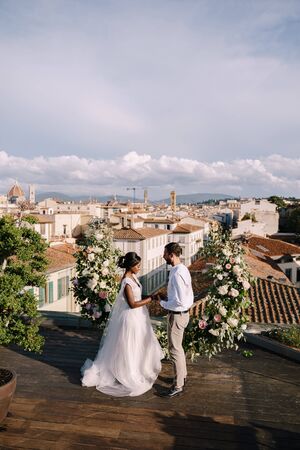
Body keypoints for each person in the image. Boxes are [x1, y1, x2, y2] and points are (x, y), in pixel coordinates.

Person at [81, 252, 164, 397]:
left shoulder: (133, 277)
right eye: (137, 266)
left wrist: (152, 296)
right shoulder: (126, 282)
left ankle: (138, 368)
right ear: (130, 266)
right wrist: (152, 298)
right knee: (130, 345)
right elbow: (132, 304)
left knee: (139, 344)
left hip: (139, 315)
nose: (139, 268)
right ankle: (127, 372)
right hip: (131, 317)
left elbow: (138, 297)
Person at [160, 242, 194, 398]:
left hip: (177, 314)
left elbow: (180, 301)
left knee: (174, 350)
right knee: (178, 348)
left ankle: (179, 384)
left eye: (165, 253)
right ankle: (183, 376)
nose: (163, 256)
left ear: (171, 255)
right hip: (183, 314)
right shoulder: (183, 269)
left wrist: (163, 303)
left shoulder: (176, 272)